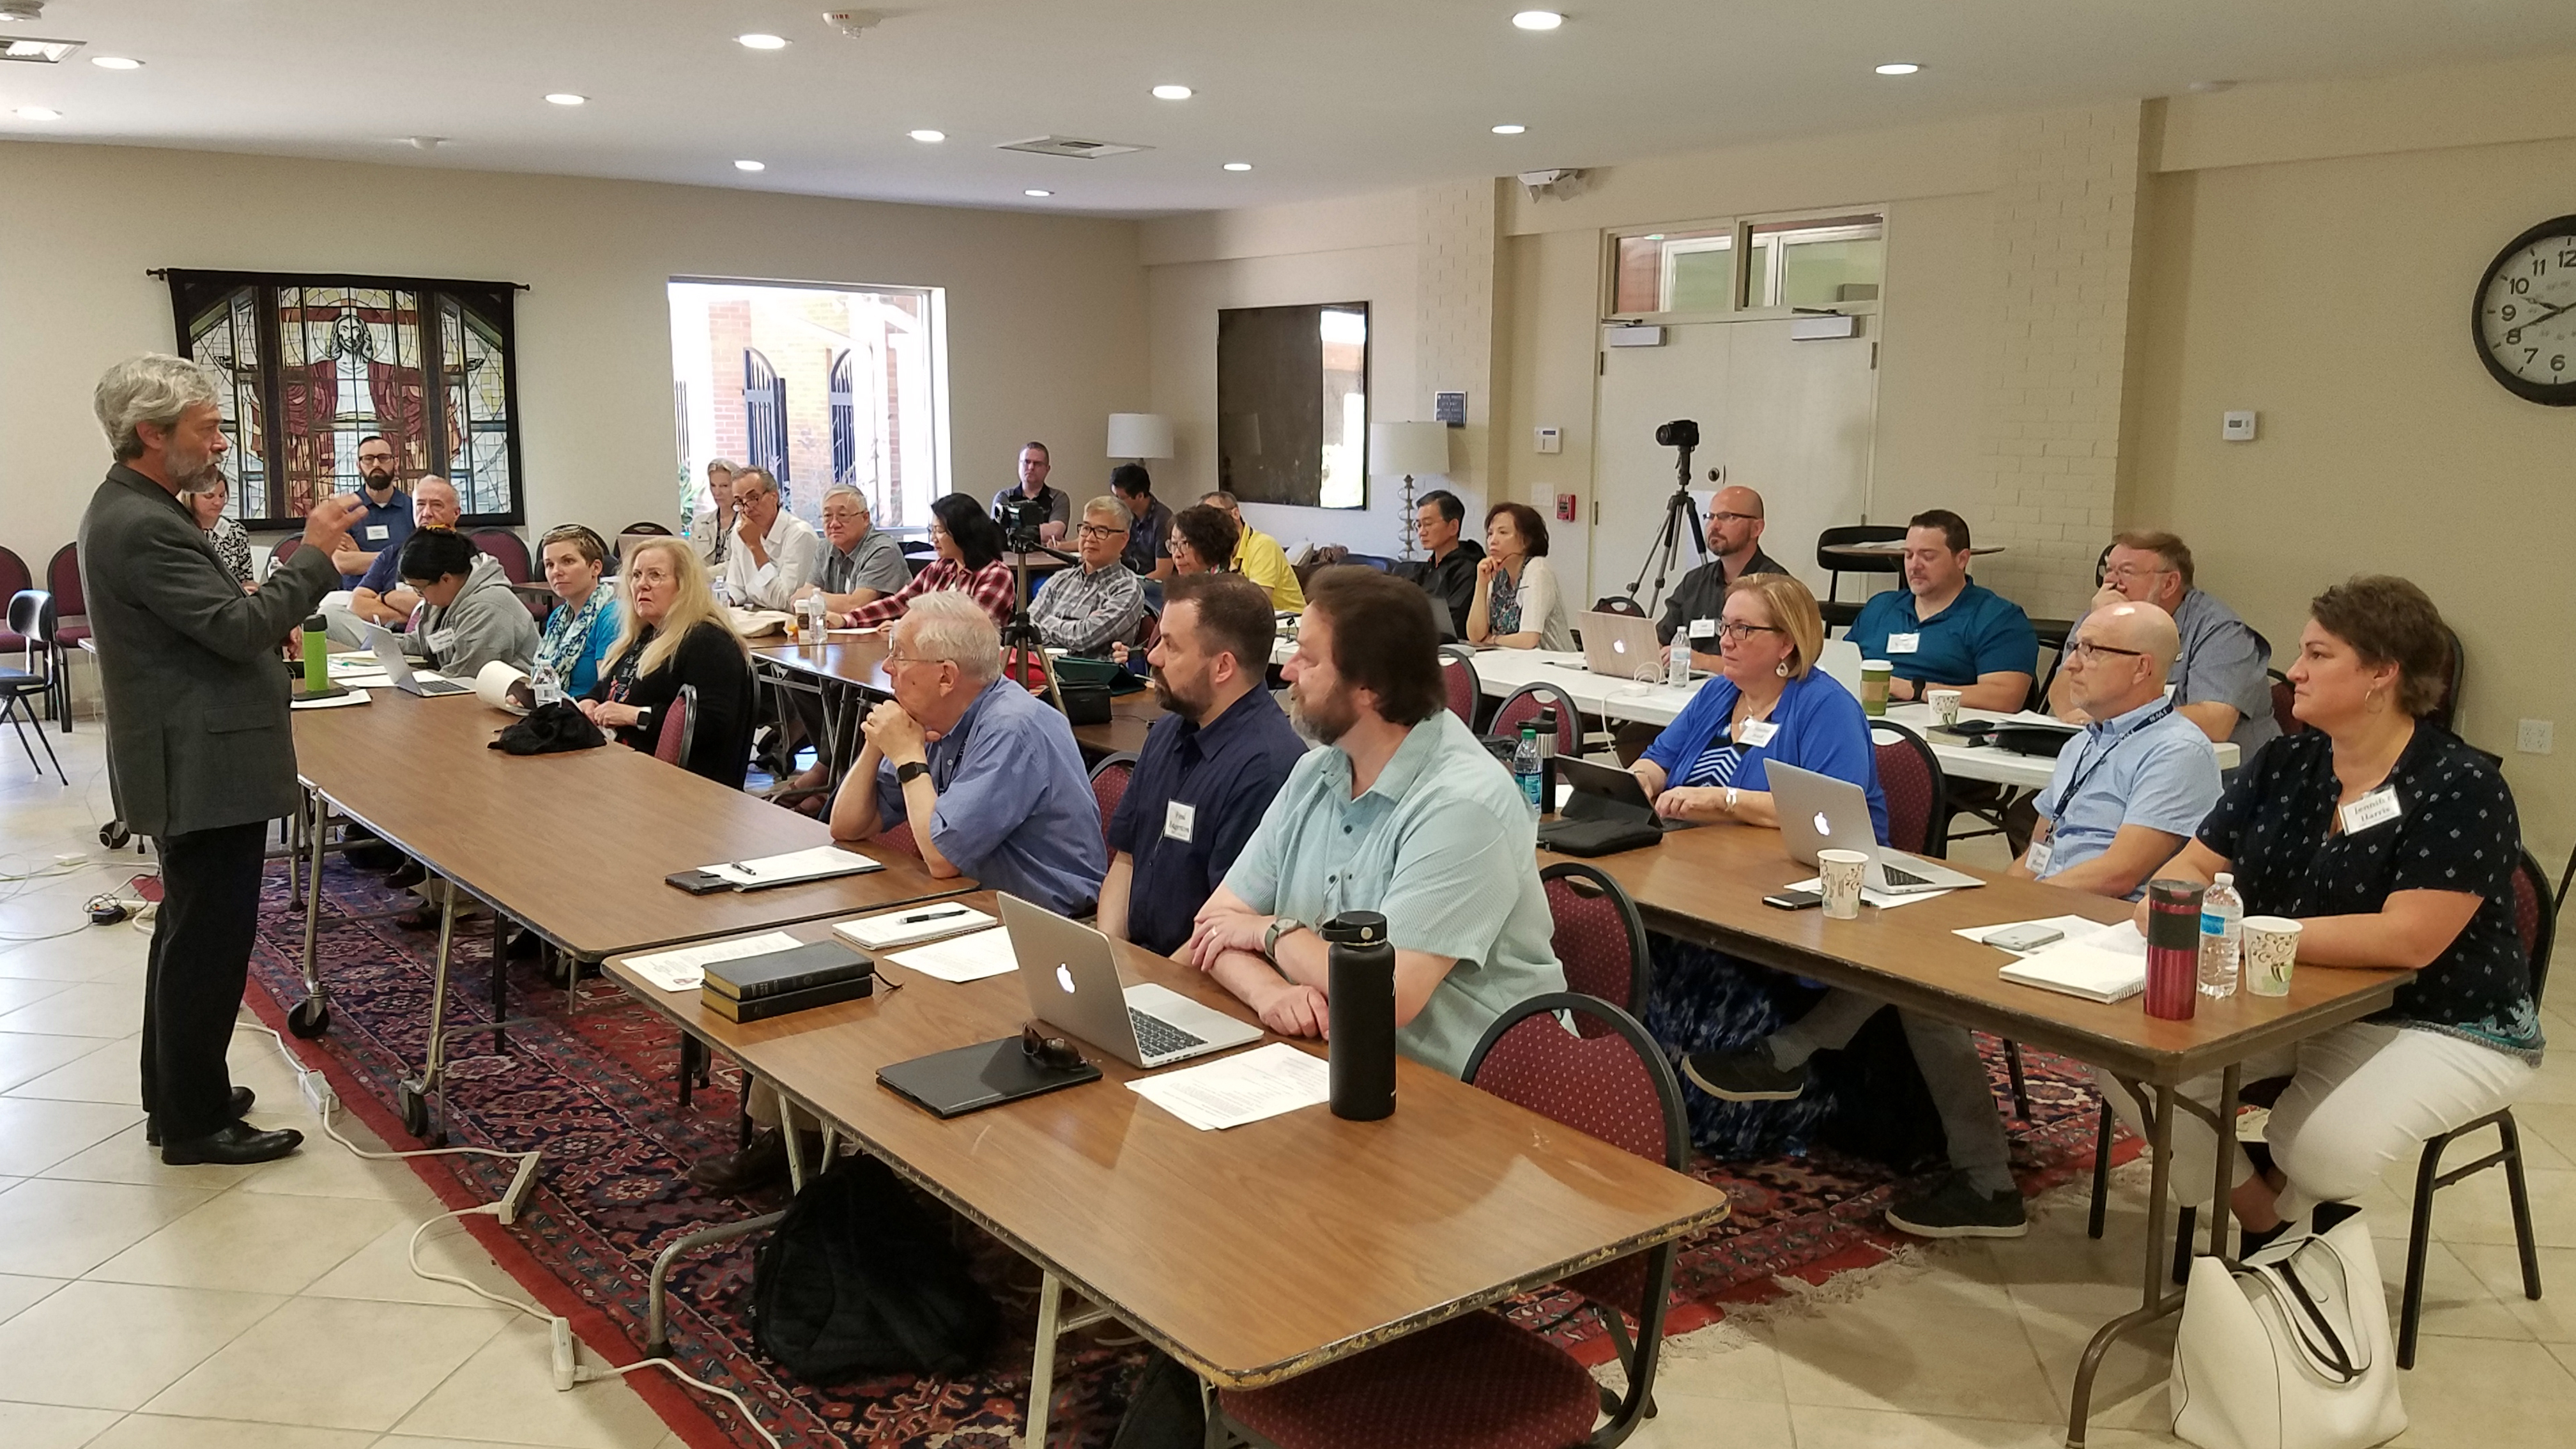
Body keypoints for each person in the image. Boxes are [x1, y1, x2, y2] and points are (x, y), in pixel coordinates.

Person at [2105, 576, 2540, 1246]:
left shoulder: (2462, 787)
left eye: (2317, 654)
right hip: (2289, 998)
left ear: (2382, 674)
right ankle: (2269, 1224)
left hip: (2441, 1017)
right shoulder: (2286, 762)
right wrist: (2173, 903)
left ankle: (2282, 1223)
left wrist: (2238, 933)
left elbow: (2409, 940)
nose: (2295, 672)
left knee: (2319, 1149)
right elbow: (2190, 867)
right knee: (2129, 1058)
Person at [80, 352, 367, 1165]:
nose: (219, 445)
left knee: (187, 936)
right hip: (200, 766)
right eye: (206, 430)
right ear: (151, 433)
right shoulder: (142, 522)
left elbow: (206, 625)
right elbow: (236, 631)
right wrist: (311, 555)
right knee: (205, 945)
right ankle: (194, 1124)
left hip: (192, 756)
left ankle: (179, 1095)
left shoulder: (137, 506)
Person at [1184, 566, 1566, 1076]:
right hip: (1334, 1058)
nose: (1288, 671)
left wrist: (1272, 932)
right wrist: (1271, 992)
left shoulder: (1464, 805)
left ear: (1370, 688)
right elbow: (1213, 927)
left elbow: (1384, 993)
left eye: (1309, 659)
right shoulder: (1315, 772)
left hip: (1474, 1092)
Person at [829, 591, 1104, 909]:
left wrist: (907, 757)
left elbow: (942, 859)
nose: (887, 666)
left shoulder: (1013, 728)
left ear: (946, 676)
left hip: (1047, 921)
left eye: (900, 655)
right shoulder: (932, 717)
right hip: (975, 900)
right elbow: (847, 826)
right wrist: (876, 742)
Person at [1100, 574, 1307, 956]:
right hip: (1138, 963)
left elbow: (1228, 923)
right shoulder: (1166, 733)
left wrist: (1147, 980)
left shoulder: (1268, 768)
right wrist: (1109, 954)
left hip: (1198, 974)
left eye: (1171, 646)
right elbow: (1126, 860)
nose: (1153, 657)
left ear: (1223, 667)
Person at [2013, 602, 2223, 898]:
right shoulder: (2081, 743)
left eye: (2091, 650)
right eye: (2075, 648)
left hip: (2107, 912)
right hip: (2051, 898)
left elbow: (2118, 875)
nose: (2071, 664)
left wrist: (2025, 898)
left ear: (2141, 668)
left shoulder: (2178, 751)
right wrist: (1999, 898)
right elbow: (2036, 854)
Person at [2051, 530, 2279, 757]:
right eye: (2109, 570)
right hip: (2128, 759)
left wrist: (2120, 720)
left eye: (2126, 572)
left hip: (2218, 770)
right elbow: (2063, 699)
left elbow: (2215, 722)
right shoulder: (2100, 616)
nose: (2111, 582)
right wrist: (2103, 624)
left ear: (2169, 584)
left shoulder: (2221, 631)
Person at [578, 539, 756, 787]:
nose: (642, 584)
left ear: (684, 586)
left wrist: (635, 716)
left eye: (655, 576)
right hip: (623, 767)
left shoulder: (708, 641)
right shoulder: (645, 634)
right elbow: (609, 687)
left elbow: (712, 724)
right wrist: (589, 702)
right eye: (637, 575)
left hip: (680, 786)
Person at [1843, 509, 2036, 711]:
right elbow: (1840, 668)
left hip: (1940, 722)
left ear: (1962, 559)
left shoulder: (1997, 618)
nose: (1914, 566)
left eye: (1928, 556)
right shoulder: (1880, 607)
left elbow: (2006, 698)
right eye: (1908, 555)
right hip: (1864, 718)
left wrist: (1916, 690)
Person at [1653, 484, 1788, 670]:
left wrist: (1703, 661)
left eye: (1728, 517)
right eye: (1711, 517)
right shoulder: (1694, 581)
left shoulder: (1776, 586)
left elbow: (1776, 662)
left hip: (1746, 687)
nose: (1714, 526)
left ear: (1756, 528)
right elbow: (1661, 638)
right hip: (1686, 684)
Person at [834, 494, 1015, 630]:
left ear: (963, 532)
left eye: (939, 531)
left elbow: (970, 628)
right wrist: (846, 619)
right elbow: (900, 603)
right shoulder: (939, 569)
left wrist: (906, 626)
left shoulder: (996, 574)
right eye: (931, 530)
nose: (933, 538)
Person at [395, 528, 540, 681]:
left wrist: (415, 679)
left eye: (420, 589)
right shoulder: (444, 596)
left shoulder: (488, 607)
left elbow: (464, 676)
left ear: (446, 579)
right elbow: (427, 643)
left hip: (507, 692)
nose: (420, 595)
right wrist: (388, 645)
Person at [332, 473, 461, 640]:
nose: (427, 513)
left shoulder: (465, 556)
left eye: (437, 505)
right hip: (389, 636)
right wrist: (411, 617)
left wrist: (386, 597)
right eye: (420, 505)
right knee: (331, 614)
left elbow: (446, 607)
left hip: (443, 638)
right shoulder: (392, 553)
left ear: (456, 513)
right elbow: (357, 604)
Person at [1030, 496, 1145, 653]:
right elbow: (1025, 633)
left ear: (1124, 539)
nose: (1090, 538)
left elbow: (1083, 638)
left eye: (1101, 531)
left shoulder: (1127, 589)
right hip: (1037, 664)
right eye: (1086, 528)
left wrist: (1047, 622)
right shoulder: (1060, 579)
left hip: (1085, 668)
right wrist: (1075, 626)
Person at [1466, 501, 1574, 651]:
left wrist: (1493, 640)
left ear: (1526, 541)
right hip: (1510, 659)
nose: (1493, 540)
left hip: (1552, 661)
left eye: (1503, 533)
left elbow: (1528, 639)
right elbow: (1475, 636)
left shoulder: (1538, 570)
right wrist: (1481, 584)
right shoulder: (1498, 572)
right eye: (1490, 534)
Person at [532, 524, 622, 698]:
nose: (556, 572)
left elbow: (607, 693)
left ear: (595, 568)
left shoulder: (612, 616)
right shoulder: (558, 617)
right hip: (552, 706)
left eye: (568, 561)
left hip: (585, 710)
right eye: (549, 564)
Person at [716, 466, 821, 611]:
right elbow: (736, 589)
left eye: (753, 498)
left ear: (774, 497)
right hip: (754, 616)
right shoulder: (740, 531)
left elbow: (787, 601)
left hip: (789, 620)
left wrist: (756, 547)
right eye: (739, 502)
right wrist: (723, 601)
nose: (747, 508)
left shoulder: (800, 534)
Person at [794, 486, 910, 614]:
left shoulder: (883, 550)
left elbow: (856, 606)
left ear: (865, 518)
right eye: (827, 516)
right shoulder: (824, 548)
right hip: (835, 625)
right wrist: (811, 597)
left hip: (886, 626)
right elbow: (799, 601)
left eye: (843, 515)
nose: (834, 524)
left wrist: (812, 596)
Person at [1199, 491, 1304, 612]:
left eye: (1215, 514)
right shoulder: (1219, 551)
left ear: (1235, 514)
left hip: (1288, 620)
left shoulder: (1263, 545)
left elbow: (1258, 604)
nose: (1210, 524)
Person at [330, 434, 411, 587]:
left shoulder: (413, 509)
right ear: (358, 465)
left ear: (396, 463)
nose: (376, 464)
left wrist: (359, 556)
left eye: (383, 458)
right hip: (354, 595)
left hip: (402, 594)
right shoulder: (344, 511)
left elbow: (420, 561)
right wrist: (401, 558)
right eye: (368, 459)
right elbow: (343, 564)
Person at [1411, 489, 1485, 639]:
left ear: (1453, 527)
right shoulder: (1427, 568)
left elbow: (1453, 624)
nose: (1421, 532)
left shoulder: (1469, 568)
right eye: (1418, 525)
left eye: (1428, 524)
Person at [990, 440, 1071, 546]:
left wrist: (1012, 530)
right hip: (1009, 556)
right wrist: (1041, 531)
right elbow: (995, 535)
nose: (1031, 467)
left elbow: (1055, 533)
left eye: (1037, 464)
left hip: (1046, 556)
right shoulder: (1004, 497)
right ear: (1019, 465)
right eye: (1027, 462)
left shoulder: (1058, 498)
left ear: (1047, 469)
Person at [189, 474, 254, 590]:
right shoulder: (182, 528)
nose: (218, 502)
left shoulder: (236, 531)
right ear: (191, 496)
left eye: (222, 496)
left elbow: (246, 579)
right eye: (209, 496)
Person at [1112, 464, 1175, 581]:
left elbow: (1163, 572)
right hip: (1126, 577)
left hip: (1149, 584)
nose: (1116, 503)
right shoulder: (1125, 513)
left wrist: (1130, 584)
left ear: (1140, 496)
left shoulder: (1163, 520)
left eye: (1121, 498)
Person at [691, 458, 740, 569]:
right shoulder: (700, 523)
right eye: (713, 485)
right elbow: (690, 561)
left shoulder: (748, 524)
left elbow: (741, 565)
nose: (717, 492)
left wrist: (706, 574)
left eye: (724, 486)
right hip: (702, 579)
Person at [1167, 504, 1239, 579]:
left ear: (1209, 546)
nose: (1177, 555)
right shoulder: (1182, 583)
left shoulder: (1228, 584)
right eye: (1174, 544)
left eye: (1184, 543)